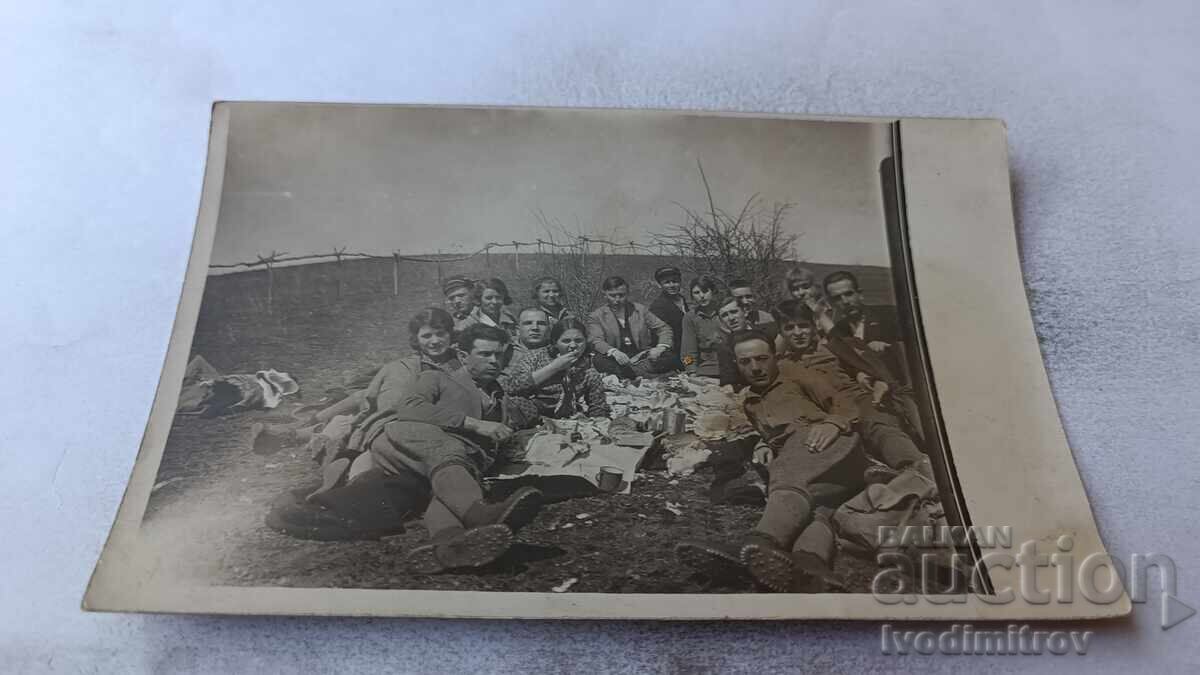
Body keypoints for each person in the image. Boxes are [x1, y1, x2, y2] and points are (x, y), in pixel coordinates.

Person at [676, 330, 868, 592]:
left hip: (835, 446)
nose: (755, 368)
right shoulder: (751, 400)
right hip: (827, 474)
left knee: (790, 471)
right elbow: (774, 430)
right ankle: (812, 566)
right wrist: (764, 444)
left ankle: (759, 541)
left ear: (775, 357)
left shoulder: (795, 373)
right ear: (736, 364)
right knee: (820, 508)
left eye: (762, 358)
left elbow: (846, 403)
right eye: (746, 362)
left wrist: (833, 423)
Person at [365, 324, 543, 573]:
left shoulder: (499, 394)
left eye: (499, 355)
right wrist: (474, 424)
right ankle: (481, 516)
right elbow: (408, 407)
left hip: (449, 465)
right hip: (406, 443)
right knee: (448, 451)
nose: (495, 361)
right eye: (485, 354)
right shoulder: (436, 377)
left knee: (447, 490)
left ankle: (448, 543)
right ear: (462, 356)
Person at [249, 307, 461, 459]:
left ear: (451, 334)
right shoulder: (413, 362)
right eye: (427, 336)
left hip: (415, 419)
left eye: (440, 334)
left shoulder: (460, 362)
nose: (434, 341)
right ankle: (302, 428)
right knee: (362, 400)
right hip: (391, 411)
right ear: (417, 340)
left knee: (363, 411)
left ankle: (301, 434)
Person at [774, 300, 931, 483]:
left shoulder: (832, 347)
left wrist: (870, 378)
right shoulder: (782, 366)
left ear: (814, 326)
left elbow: (864, 366)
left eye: (803, 326)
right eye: (789, 328)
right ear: (781, 332)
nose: (798, 333)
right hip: (827, 416)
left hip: (860, 402)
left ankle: (916, 468)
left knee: (878, 427)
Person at [503, 318, 610, 418]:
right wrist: (554, 367)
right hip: (529, 414)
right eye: (566, 341)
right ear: (555, 343)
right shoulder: (535, 357)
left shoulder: (587, 367)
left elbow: (598, 407)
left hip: (565, 418)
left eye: (578, 341)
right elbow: (511, 387)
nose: (573, 346)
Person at [823, 270, 906, 384]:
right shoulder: (838, 331)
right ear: (831, 303)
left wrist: (890, 347)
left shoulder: (890, 314)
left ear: (860, 294)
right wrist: (857, 373)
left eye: (849, 294)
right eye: (837, 298)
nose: (845, 301)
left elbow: (914, 348)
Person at [586, 275, 678, 378]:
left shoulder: (640, 310)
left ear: (627, 293)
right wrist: (614, 352)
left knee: (671, 357)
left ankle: (631, 374)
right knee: (599, 360)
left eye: (621, 295)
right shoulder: (596, 316)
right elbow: (596, 340)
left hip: (641, 357)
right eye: (612, 295)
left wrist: (660, 347)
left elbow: (663, 328)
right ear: (605, 295)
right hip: (617, 359)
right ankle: (646, 375)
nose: (617, 300)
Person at [497, 307, 553, 391]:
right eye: (528, 323)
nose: (535, 328)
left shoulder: (556, 353)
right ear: (517, 330)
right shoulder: (504, 352)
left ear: (548, 329)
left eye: (541, 323)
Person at [679, 275, 724, 378]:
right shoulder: (690, 318)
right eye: (696, 293)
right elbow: (687, 352)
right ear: (692, 296)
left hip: (730, 364)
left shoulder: (725, 311)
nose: (702, 296)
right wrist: (691, 371)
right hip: (707, 368)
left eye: (705, 291)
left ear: (713, 291)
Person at [647, 266, 689, 361]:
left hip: (688, 347)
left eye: (675, 281)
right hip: (672, 351)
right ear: (659, 285)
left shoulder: (682, 299)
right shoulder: (658, 306)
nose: (672, 285)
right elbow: (661, 334)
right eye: (667, 282)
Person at [783, 265, 834, 334]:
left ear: (815, 286)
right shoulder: (788, 313)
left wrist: (819, 313)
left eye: (805, 287)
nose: (801, 292)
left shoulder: (830, 308)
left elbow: (835, 335)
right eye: (795, 289)